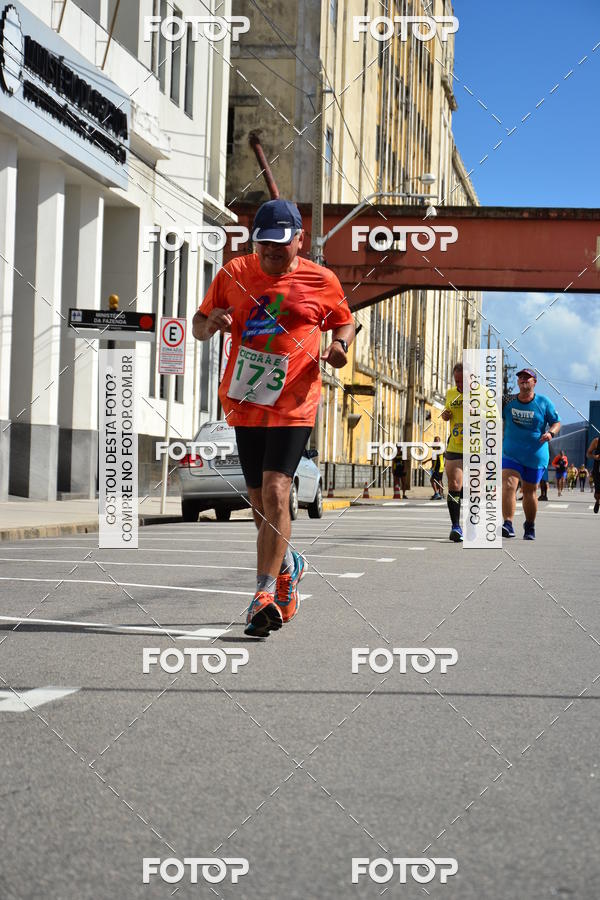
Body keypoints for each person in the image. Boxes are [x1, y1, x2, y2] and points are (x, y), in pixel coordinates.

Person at [192, 199, 355, 636]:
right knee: (258, 501)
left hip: (295, 402)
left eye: (280, 244)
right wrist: (211, 323)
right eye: (263, 243)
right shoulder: (234, 273)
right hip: (246, 400)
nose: (270, 252)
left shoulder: (321, 280)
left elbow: (344, 322)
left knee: (276, 489)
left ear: (300, 239)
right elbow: (199, 323)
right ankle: (287, 566)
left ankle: (263, 595)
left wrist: (340, 346)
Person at [502, 368, 561, 540]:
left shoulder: (543, 402)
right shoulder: (507, 400)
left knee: (529, 492)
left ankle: (529, 525)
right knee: (509, 485)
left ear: (534, 382)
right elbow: (489, 412)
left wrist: (550, 433)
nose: (523, 380)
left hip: (535, 454)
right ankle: (508, 524)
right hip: (511, 452)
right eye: (520, 377)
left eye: (527, 378)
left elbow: (556, 422)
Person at [441, 362, 464, 541]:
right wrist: (445, 415)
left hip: (477, 448)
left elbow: (493, 417)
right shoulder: (450, 393)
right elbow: (446, 412)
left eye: (463, 381)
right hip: (455, 445)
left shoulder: (483, 394)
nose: (460, 384)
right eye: (457, 381)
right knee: (454, 485)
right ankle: (456, 526)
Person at [586, 434, 600, 513]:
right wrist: (595, 457)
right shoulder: (596, 441)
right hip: (598, 470)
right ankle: (597, 501)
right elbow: (588, 454)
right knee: (597, 494)